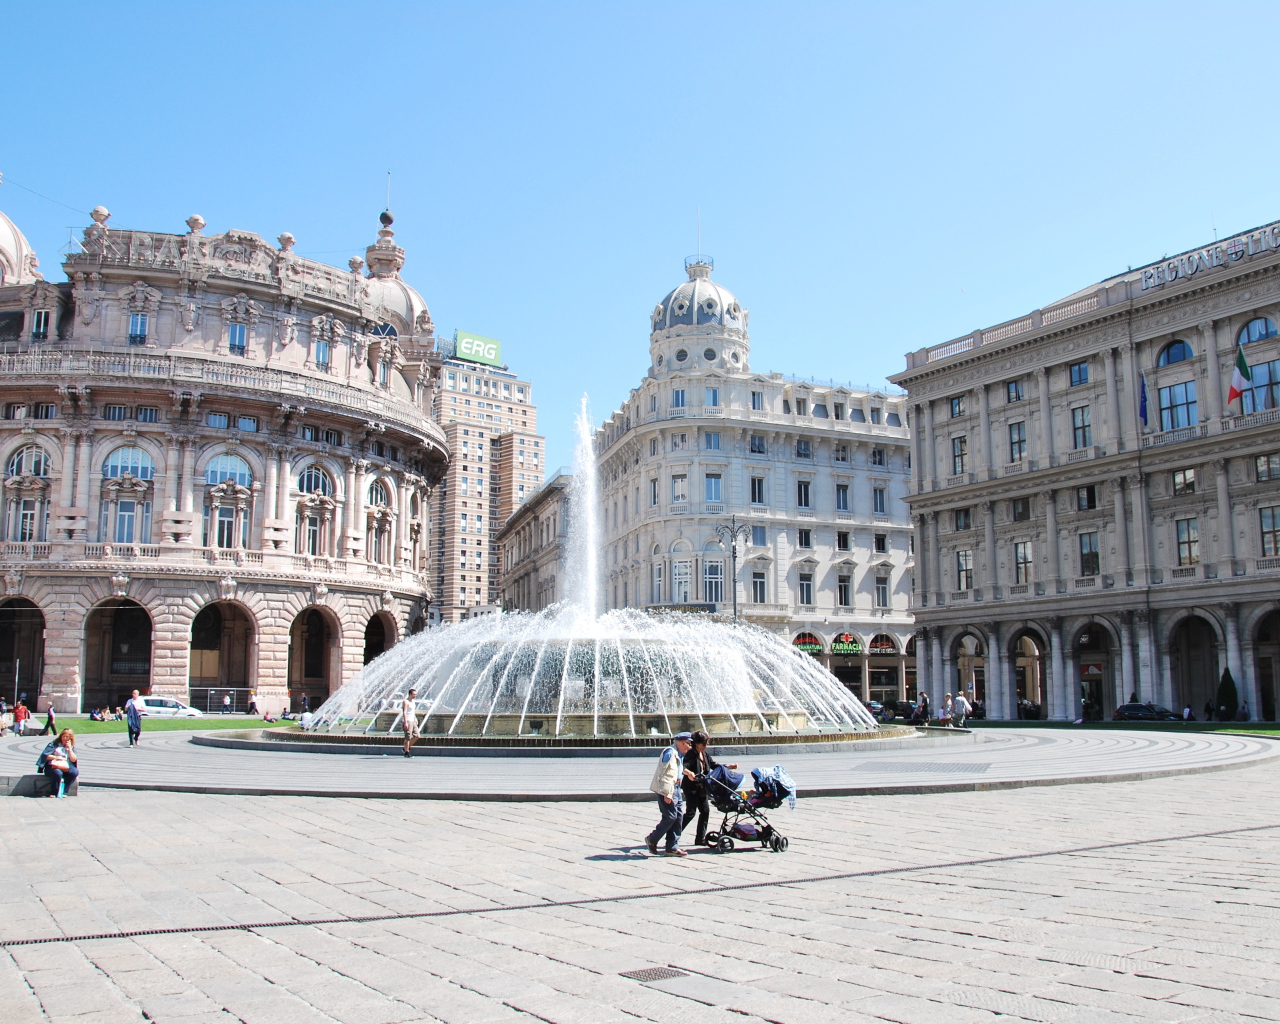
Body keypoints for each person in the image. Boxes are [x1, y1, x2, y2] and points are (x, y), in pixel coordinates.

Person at [681, 730, 737, 847]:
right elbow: (683, 767)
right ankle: (674, 834)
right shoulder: (691, 754)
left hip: (702, 787)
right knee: (691, 813)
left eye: (706, 744)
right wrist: (689, 773)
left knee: (705, 811)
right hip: (691, 787)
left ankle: (700, 838)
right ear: (696, 744)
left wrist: (728, 766)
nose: (705, 747)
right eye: (703, 744)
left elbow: (713, 765)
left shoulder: (704, 754)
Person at [645, 731, 695, 857]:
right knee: (670, 816)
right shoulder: (670, 753)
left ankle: (672, 847)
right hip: (667, 789)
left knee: (678, 817)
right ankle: (652, 839)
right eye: (689, 744)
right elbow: (666, 774)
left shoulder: (678, 753)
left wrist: (687, 773)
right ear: (683, 743)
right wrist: (668, 794)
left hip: (676, 788)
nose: (690, 747)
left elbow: (677, 768)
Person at [37, 729, 78, 798]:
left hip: (66, 766)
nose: (65, 738)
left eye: (67, 737)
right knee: (57, 773)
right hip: (54, 766)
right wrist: (56, 757)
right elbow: (45, 756)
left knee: (74, 772)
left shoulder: (72, 747)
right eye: (63, 736)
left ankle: (65, 791)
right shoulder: (54, 744)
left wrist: (70, 750)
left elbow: (73, 760)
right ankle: (54, 792)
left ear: (70, 739)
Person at [401, 688, 419, 758]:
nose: (415, 695)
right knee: (408, 737)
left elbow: (413, 712)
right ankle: (406, 752)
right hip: (408, 721)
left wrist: (415, 719)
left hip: (412, 720)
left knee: (417, 735)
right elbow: (404, 712)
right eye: (414, 694)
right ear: (410, 694)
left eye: (416, 694)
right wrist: (405, 722)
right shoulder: (406, 702)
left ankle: (405, 748)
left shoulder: (413, 701)